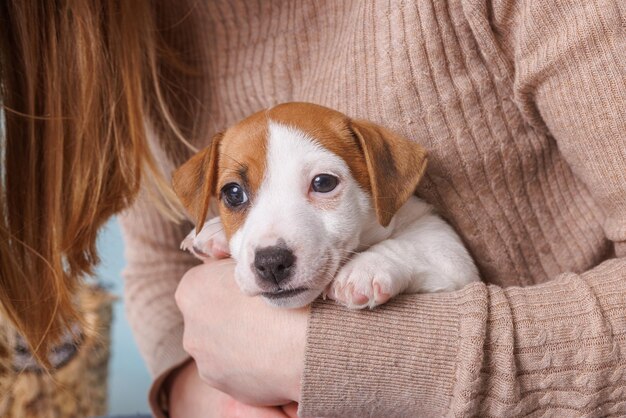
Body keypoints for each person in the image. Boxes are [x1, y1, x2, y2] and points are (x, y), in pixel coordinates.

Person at [1, 1, 625, 417]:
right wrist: (203, 392)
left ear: (377, 181)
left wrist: (328, 358)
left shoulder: (398, 213)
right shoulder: (122, 37)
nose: (271, 243)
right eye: (237, 197)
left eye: (322, 184)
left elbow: (440, 263)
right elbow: (161, 261)